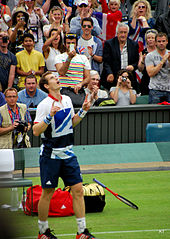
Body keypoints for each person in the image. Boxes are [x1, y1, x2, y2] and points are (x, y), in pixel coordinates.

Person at [32, 71, 97, 239]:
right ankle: (43, 232)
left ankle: (82, 232)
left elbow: (70, 124)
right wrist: (49, 117)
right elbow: (36, 131)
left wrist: (83, 111)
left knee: (78, 190)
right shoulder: (44, 105)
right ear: (46, 86)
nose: (57, 79)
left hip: (68, 153)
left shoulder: (67, 100)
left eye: (56, 76)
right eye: (53, 78)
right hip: (50, 156)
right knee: (48, 193)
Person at [101, 22, 139, 93]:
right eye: (121, 32)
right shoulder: (109, 44)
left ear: (128, 33)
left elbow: (137, 62)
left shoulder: (134, 45)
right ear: (117, 33)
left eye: (125, 32)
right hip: (113, 78)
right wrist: (109, 73)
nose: (123, 35)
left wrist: (133, 67)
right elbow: (106, 62)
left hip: (128, 79)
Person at [145, 32, 170, 104]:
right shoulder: (150, 56)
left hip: (169, 89)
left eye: (163, 41)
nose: (161, 43)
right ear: (155, 42)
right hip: (155, 90)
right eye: (159, 41)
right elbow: (150, 73)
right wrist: (162, 61)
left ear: (167, 42)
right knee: (154, 114)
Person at [138, 29, 157, 95]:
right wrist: (143, 60)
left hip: (157, 79)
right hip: (146, 80)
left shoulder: (160, 51)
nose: (150, 40)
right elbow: (140, 69)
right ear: (146, 40)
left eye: (152, 38)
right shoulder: (143, 52)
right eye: (149, 38)